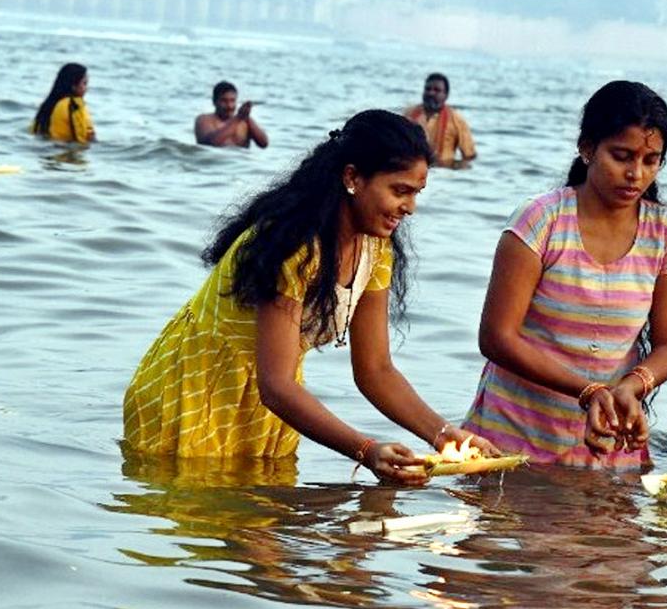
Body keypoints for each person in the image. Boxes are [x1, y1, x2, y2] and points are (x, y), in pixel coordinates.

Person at [124, 109, 493, 483]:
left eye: (416, 194)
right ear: (352, 177)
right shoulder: (293, 246)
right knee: (200, 514)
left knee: (263, 524)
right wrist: (366, 450)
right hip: (197, 390)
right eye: (400, 191)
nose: (410, 207)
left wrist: (447, 437)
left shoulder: (376, 250)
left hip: (272, 405)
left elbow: (375, 370)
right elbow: (277, 385)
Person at [462, 80, 667, 469]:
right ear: (587, 148)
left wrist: (629, 388)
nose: (635, 174)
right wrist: (588, 391)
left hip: (611, 440)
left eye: (651, 160)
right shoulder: (541, 220)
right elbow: (497, 337)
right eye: (622, 156)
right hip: (512, 435)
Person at [403, 73, 476, 168]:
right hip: (412, 169)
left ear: (446, 95)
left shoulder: (457, 120)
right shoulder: (409, 114)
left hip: (442, 174)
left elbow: (469, 156)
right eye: (427, 89)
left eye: (437, 90)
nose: (431, 93)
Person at [30, 63, 95, 143]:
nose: (86, 88)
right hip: (66, 151)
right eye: (84, 83)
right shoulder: (73, 104)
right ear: (73, 86)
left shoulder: (48, 105)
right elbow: (81, 138)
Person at [195, 81, 269, 148]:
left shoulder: (245, 122)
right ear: (214, 102)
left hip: (240, 162)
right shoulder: (204, 120)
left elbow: (264, 144)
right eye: (224, 101)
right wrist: (237, 119)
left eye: (232, 101)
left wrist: (247, 118)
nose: (229, 106)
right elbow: (211, 144)